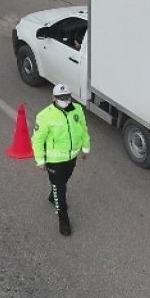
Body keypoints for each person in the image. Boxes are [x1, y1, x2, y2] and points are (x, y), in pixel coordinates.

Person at [31, 84, 91, 236]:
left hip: (71, 157)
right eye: (61, 97)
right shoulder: (45, 116)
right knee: (61, 191)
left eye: (67, 97)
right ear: (53, 98)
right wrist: (40, 160)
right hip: (54, 160)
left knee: (64, 180)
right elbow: (37, 140)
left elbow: (83, 129)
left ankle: (54, 195)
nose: (64, 100)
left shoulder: (77, 109)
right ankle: (64, 221)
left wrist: (85, 148)